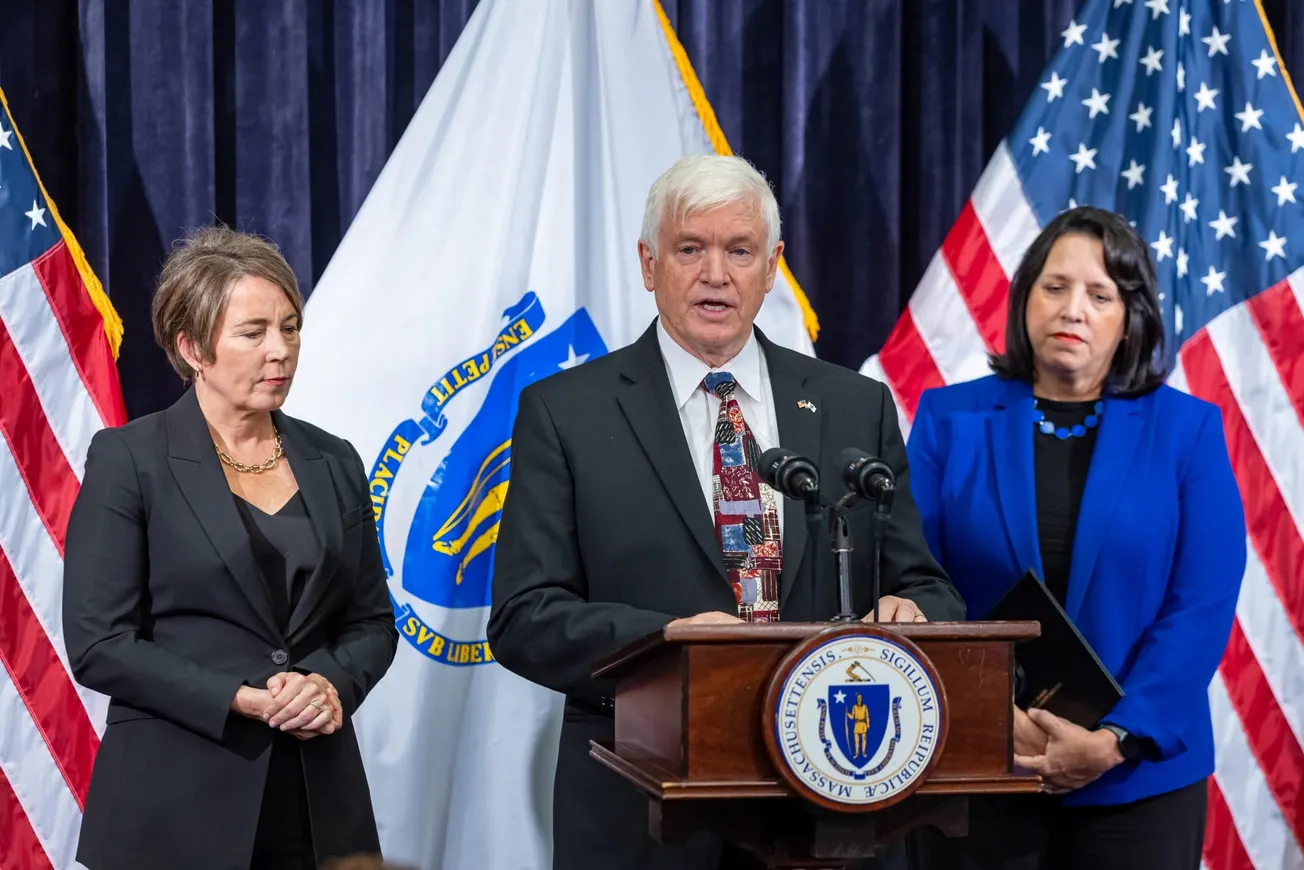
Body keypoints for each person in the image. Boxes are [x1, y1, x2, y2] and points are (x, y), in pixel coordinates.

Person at [487, 153, 965, 870]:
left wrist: (915, 612)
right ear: (649, 264)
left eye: (739, 251)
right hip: (647, 808)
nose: (716, 273)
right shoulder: (566, 413)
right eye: (690, 249)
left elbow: (926, 585)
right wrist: (666, 642)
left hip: (832, 806)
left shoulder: (853, 406)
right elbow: (524, 617)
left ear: (771, 267)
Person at [904, 206, 1246, 870]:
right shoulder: (950, 420)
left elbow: (1200, 607)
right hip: (979, 764)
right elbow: (916, 576)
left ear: (1131, 317)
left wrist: (1114, 739)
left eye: (1100, 294)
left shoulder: (1188, 431)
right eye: (1055, 286)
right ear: (1025, 298)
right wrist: (990, 712)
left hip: (1136, 782)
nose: (1073, 310)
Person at [63, 226, 398, 870]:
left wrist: (327, 684)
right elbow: (100, 643)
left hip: (316, 805)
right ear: (192, 347)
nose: (281, 350)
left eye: (290, 328)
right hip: (173, 805)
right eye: (254, 332)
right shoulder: (130, 459)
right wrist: (241, 698)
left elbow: (372, 623)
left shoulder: (335, 460)